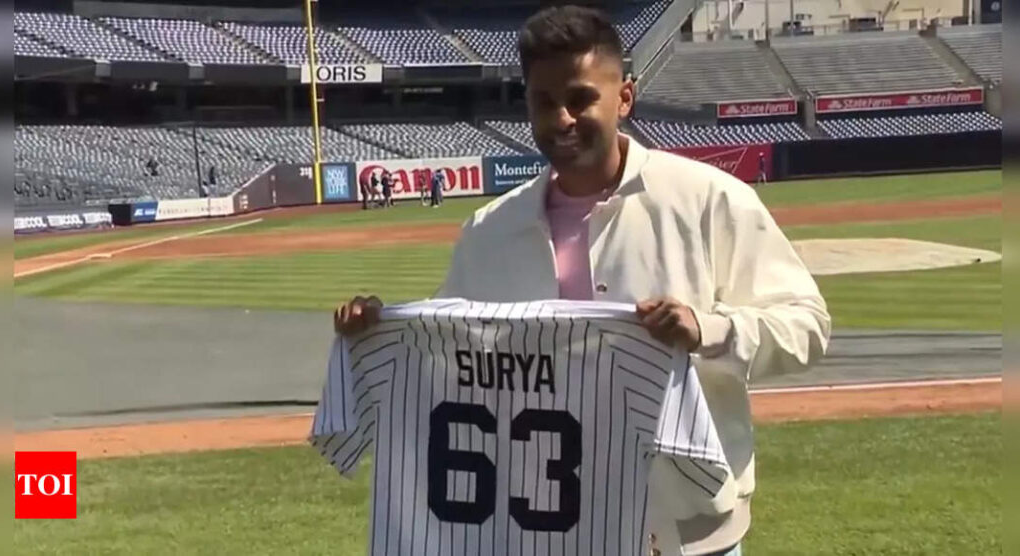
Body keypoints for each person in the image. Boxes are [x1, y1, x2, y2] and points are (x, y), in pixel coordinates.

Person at [334, 5, 830, 556]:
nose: (562, 118)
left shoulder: (709, 200)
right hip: (541, 532)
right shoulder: (489, 231)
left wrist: (708, 331)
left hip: (688, 537)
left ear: (624, 98)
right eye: (544, 102)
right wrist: (379, 334)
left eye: (580, 98)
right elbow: (455, 368)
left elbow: (806, 326)